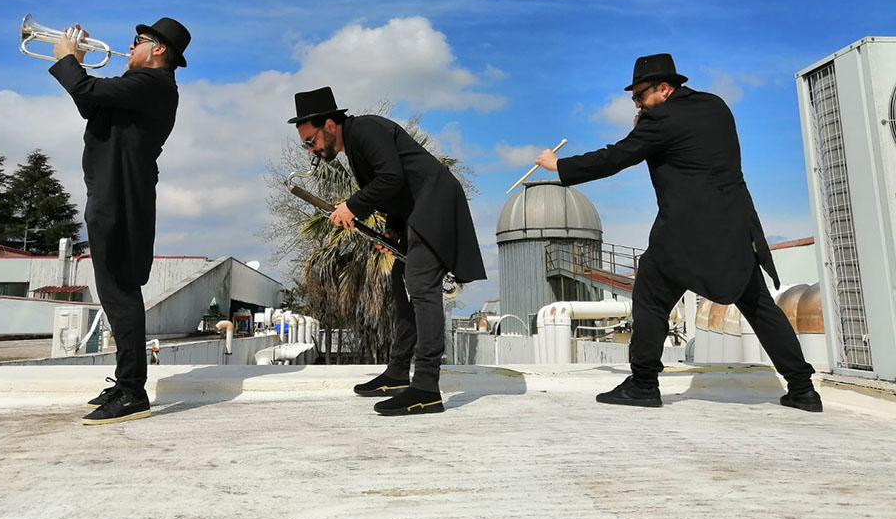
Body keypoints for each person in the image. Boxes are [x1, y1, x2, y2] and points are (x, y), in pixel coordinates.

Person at [534, 54, 822, 412]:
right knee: (759, 306)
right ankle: (803, 389)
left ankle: (643, 384)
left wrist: (559, 165)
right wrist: (647, 120)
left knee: (651, 299)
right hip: (735, 227)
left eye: (640, 96)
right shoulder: (715, 106)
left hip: (685, 231)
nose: (636, 103)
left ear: (664, 89)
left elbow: (616, 157)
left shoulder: (662, 120)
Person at [288, 87, 486, 415]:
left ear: (329, 125)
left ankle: (425, 388)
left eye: (311, 141)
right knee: (400, 283)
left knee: (422, 288)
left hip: (434, 204)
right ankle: (397, 373)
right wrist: (392, 230)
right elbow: (393, 189)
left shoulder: (366, 129)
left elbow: (391, 177)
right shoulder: (356, 146)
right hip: (414, 211)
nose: (312, 150)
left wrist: (352, 206)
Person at [51, 17, 191, 425]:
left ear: (159, 49)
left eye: (137, 42)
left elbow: (86, 87)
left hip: (122, 193)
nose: (129, 48)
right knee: (112, 287)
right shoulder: (141, 88)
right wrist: (74, 65)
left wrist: (68, 60)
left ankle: (132, 390)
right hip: (113, 190)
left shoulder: (153, 85)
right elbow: (90, 102)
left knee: (120, 287)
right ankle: (126, 382)